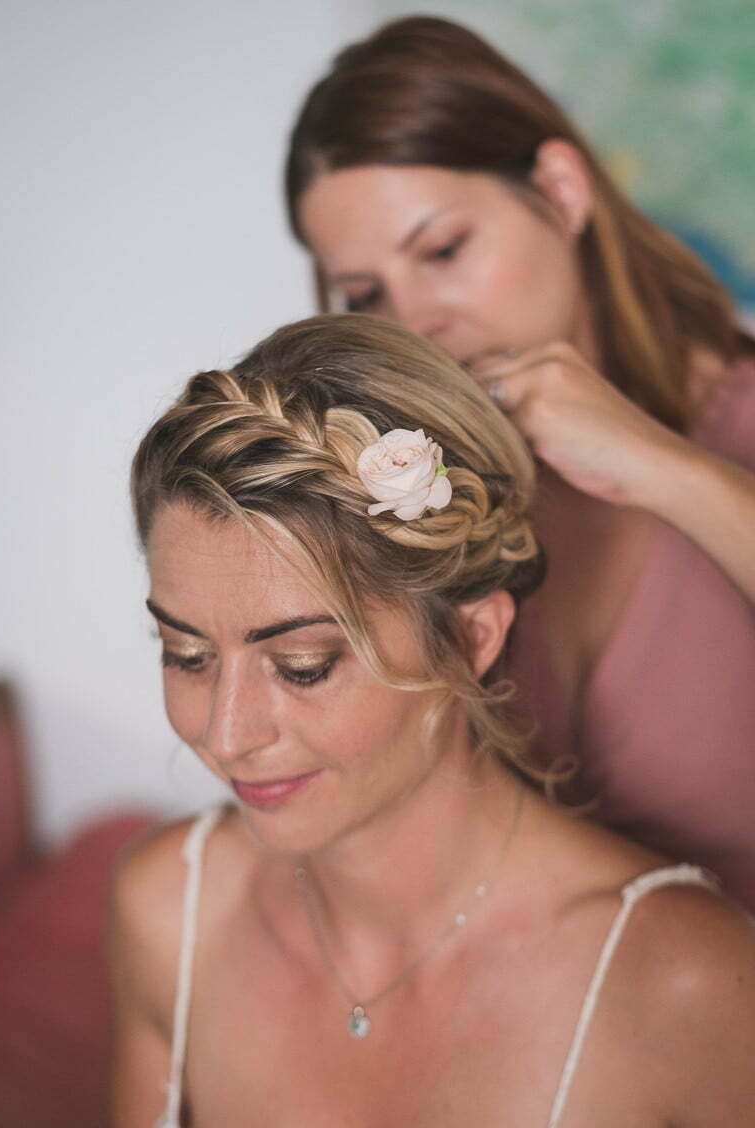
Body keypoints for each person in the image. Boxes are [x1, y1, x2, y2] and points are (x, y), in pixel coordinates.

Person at [102, 314, 755, 1128]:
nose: (226, 735)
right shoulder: (168, 912)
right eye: (186, 655)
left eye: (304, 666)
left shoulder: (687, 986)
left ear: (475, 635)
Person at [284, 16, 755, 908]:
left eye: (444, 250)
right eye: (366, 294)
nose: (417, 322)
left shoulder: (736, 419)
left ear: (561, 190)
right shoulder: (410, 499)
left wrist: (663, 466)